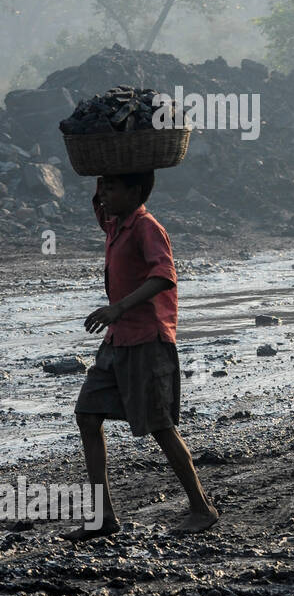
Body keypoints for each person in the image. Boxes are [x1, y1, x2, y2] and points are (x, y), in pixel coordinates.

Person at [71, 173, 219, 539]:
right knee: (87, 416)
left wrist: (118, 307)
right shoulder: (115, 224)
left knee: (160, 425)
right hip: (117, 340)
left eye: (111, 188)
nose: (103, 195)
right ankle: (102, 517)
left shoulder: (146, 227)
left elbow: (164, 276)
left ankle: (202, 508)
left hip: (147, 339)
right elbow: (98, 200)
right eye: (102, 187)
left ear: (135, 191)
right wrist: (104, 166)